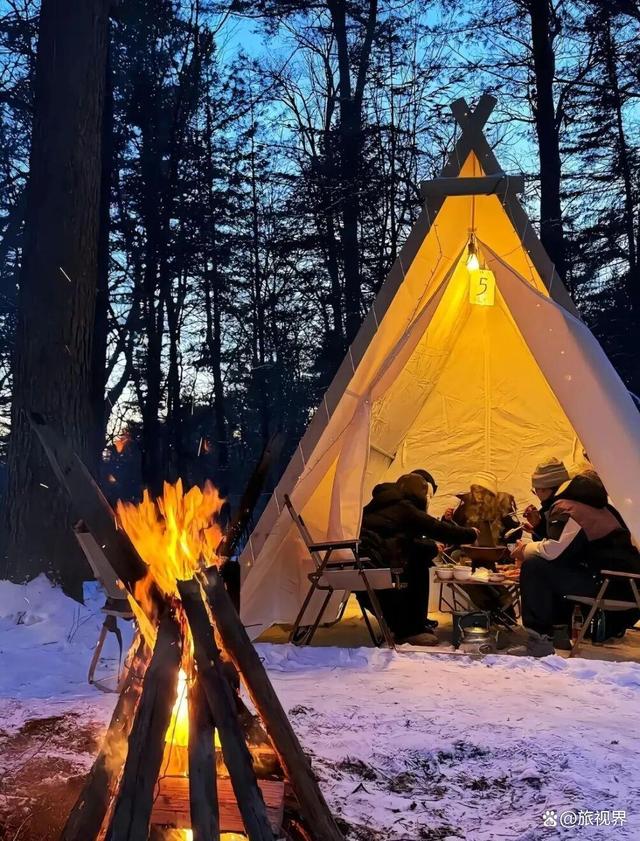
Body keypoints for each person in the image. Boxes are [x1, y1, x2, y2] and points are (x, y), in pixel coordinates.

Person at [508, 457, 640, 657]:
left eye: (537, 490)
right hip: (621, 581)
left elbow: (554, 550)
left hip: (612, 583)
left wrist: (525, 549)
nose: (537, 495)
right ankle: (559, 633)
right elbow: (571, 548)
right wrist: (539, 531)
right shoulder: (594, 505)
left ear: (545, 489)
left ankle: (540, 640)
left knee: (535, 567)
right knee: (551, 566)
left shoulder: (567, 507)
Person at [358, 471, 478, 646]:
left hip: (363, 563)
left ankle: (413, 624)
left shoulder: (381, 502)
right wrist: (471, 534)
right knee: (421, 557)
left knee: (423, 551)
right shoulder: (403, 507)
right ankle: (409, 630)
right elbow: (436, 528)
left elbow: (398, 538)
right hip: (381, 568)